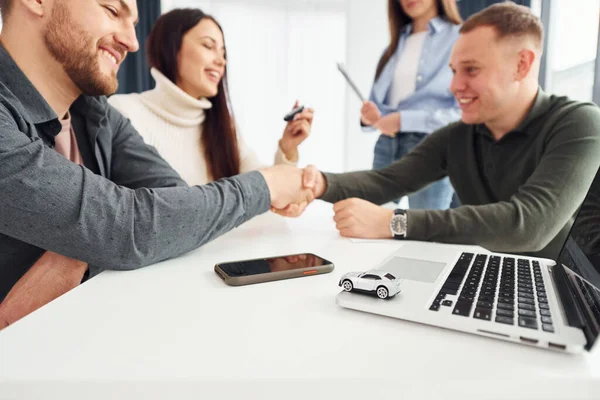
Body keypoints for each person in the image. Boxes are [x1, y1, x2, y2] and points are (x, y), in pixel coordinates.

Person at [0, 0, 315, 328]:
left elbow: (172, 207)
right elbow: (126, 225)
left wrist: (80, 252)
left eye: (134, 23)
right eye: (111, 10)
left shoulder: (96, 113)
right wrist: (264, 186)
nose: (132, 42)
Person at [284, 2, 600, 260]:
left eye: (471, 70)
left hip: (552, 286)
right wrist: (319, 183)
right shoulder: (460, 135)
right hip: (477, 267)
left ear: (522, 65)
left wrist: (394, 222)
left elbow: (528, 226)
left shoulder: (580, 124)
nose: (454, 86)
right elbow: (388, 181)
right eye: (453, 72)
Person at [108, 8, 314, 186]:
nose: (221, 61)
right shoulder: (123, 112)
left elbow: (264, 189)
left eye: (223, 52)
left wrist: (287, 148)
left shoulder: (223, 127)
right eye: (208, 46)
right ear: (171, 48)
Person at [361, 0, 462, 209]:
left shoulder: (460, 39)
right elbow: (376, 106)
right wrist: (370, 118)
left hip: (431, 147)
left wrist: (404, 120)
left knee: (427, 232)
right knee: (370, 227)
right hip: (387, 145)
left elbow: (464, 112)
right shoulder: (394, 47)